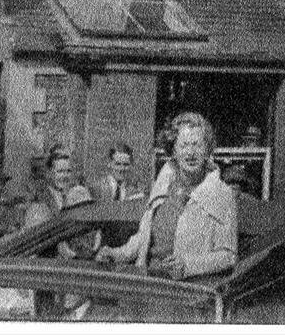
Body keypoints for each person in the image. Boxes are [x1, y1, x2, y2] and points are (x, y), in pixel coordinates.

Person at [95, 112, 238, 280]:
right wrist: (116, 254)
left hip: (189, 292)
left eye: (197, 145)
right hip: (150, 285)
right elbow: (145, 237)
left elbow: (228, 256)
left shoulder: (222, 194)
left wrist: (188, 265)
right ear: (174, 151)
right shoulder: (164, 186)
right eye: (184, 145)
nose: (190, 153)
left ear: (207, 151)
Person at [29, 145, 92, 222]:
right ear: (49, 173)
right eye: (60, 171)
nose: (64, 176)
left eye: (68, 171)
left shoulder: (78, 193)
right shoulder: (41, 196)